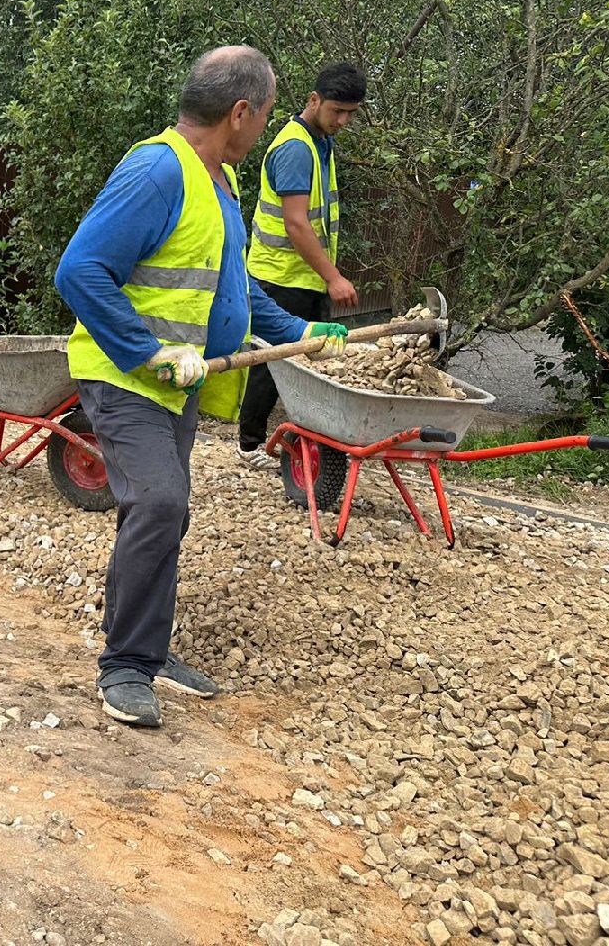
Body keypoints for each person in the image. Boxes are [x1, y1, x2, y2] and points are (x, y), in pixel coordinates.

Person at [54, 46, 348, 728]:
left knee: (165, 511)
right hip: (126, 378)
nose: (268, 127)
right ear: (240, 112)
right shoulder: (159, 170)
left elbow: (233, 289)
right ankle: (125, 666)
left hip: (177, 385)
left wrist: (301, 330)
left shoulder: (220, 179)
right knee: (159, 501)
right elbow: (80, 271)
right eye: (266, 114)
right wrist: (147, 353)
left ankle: (147, 650)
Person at [237, 63, 367, 468]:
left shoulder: (319, 142)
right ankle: (249, 445)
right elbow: (296, 223)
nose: (343, 121)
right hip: (279, 275)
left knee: (304, 360)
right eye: (336, 111)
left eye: (350, 113)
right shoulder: (296, 148)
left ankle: (306, 445)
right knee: (273, 361)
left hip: (302, 276)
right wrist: (334, 277)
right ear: (314, 100)